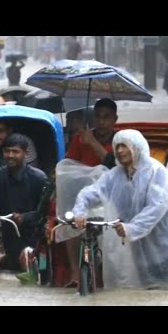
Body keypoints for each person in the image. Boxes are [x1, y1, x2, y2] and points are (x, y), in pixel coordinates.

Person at [71, 129, 168, 289]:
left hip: (164, 250)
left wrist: (132, 228)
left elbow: (156, 207)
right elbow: (89, 194)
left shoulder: (155, 172)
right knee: (146, 295)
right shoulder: (114, 176)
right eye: (117, 147)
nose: (119, 151)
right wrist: (80, 212)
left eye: (124, 146)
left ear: (137, 147)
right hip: (138, 252)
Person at [63, 98, 118, 287]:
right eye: (98, 117)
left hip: (111, 196)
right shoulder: (80, 139)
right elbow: (68, 167)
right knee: (68, 219)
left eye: (107, 117)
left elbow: (114, 166)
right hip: (82, 194)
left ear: (115, 119)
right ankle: (75, 272)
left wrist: (92, 142)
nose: (102, 122)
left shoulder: (120, 142)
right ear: (93, 118)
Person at [0, 134, 47, 271]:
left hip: (33, 236)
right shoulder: (0, 175)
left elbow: (45, 211)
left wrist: (25, 217)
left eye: (15, 152)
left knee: (34, 271)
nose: (10, 155)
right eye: (7, 151)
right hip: (9, 234)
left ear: (26, 154)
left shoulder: (39, 178)